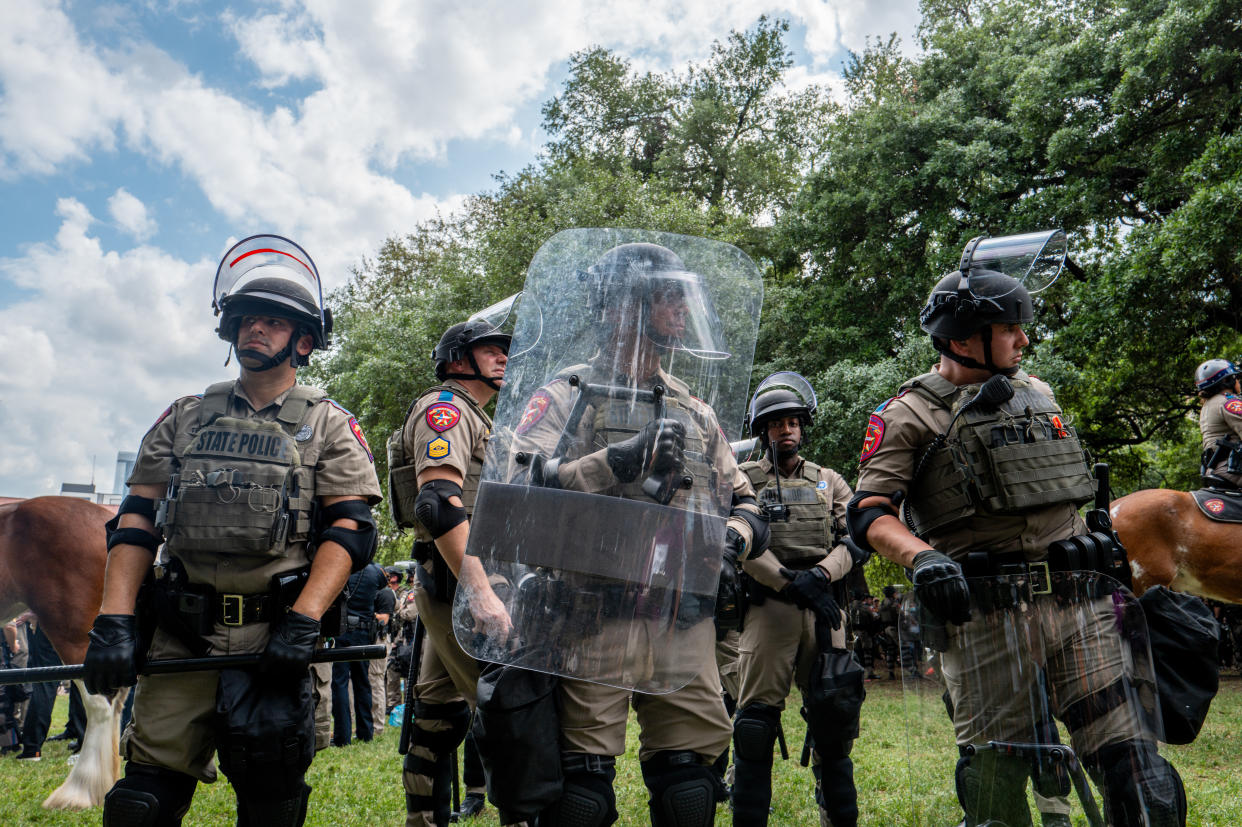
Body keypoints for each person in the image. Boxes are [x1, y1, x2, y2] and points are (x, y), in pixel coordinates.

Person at [846, 234, 1185, 827]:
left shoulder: (1039, 394)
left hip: (1079, 606)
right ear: (961, 340)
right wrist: (922, 559)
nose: (1024, 340)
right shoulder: (907, 414)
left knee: (1140, 777)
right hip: (986, 618)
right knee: (993, 790)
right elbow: (870, 512)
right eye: (1010, 329)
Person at [82, 234, 382, 826]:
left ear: (303, 340)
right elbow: (135, 520)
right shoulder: (185, 417)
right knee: (140, 805)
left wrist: (301, 627)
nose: (254, 330)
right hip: (182, 635)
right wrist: (114, 622)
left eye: (272, 322)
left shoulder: (328, 425)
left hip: (273, 638)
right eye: (247, 320)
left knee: (271, 803)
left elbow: (351, 530)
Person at [498, 240, 768, 826]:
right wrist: (613, 464)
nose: (679, 308)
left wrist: (730, 545)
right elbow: (516, 498)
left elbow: (746, 501)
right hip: (590, 619)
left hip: (682, 623)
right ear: (625, 305)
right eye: (666, 295)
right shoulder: (567, 394)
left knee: (690, 788)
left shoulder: (694, 410)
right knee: (580, 799)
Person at [389, 318, 511, 827]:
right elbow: (438, 504)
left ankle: (424, 818)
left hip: (450, 585)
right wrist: (481, 593)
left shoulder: (478, 417)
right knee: (511, 710)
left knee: (436, 714)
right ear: (459, 359)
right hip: (461, 587)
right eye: (491, 349)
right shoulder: (447, 410)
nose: (504, 356)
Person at [731, 372, 860, 827]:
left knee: (835, 721)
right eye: (776, 424)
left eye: (793, 422)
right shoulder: (743, 480)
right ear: (761, 431)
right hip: (769, 610)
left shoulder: (829, 480)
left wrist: (821, 576)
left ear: (803, 427)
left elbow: (855, 539)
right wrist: (788, 581)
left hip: (825, 612)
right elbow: (736, 540)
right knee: (753, 727)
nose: (786, 430)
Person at [331, 561, 388, 745]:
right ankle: (366, 732)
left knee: (339, 683)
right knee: (362, 682)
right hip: (363, 632)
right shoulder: (375, 571)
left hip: (341, 631)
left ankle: (342, 736)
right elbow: (382, 584)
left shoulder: (341, 565)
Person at [1195, 359, 1242, 489]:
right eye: (1236, 377)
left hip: (1214, 468)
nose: (1239, 381)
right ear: (1228, 381)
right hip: (1232, 470)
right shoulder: (1228, 403)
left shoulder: (1207, 406)